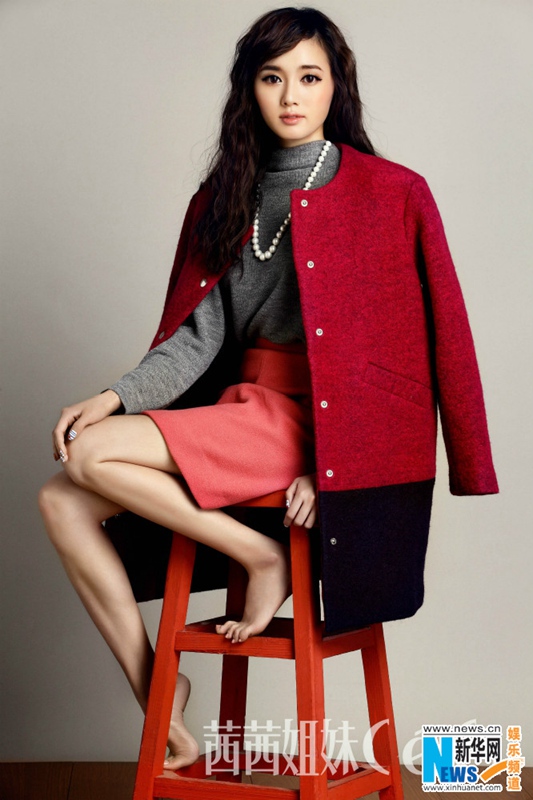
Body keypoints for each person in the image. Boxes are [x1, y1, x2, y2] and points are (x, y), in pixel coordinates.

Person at [38, 6, 498, 772]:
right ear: (248, 89)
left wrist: (338, 466)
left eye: (309, 77)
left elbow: (429, 344)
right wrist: (114, 397)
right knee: (62, 497)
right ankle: (160, 693)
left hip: (326, 423)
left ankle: (261, 560)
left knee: (88, 459)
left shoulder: (391, 193)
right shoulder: (224, 197)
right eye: (271, 77)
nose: (290, 95)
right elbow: (195, 340)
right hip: (243, 410)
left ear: (335, 87)